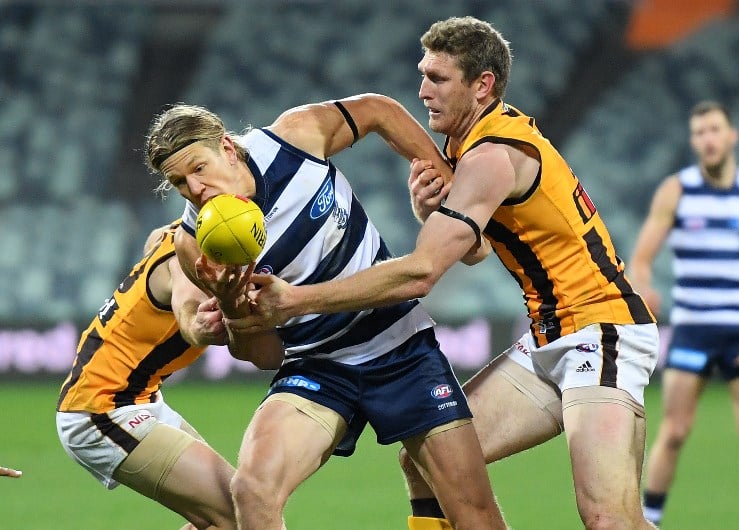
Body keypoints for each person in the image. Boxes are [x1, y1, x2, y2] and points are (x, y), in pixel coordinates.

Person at [234, 16, 660, 530]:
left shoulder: (491, 156)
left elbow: (420, 276)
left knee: (608, 519)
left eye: (438, 79)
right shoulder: (474, 144)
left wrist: (295, 302)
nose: (422, 91)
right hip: (551, 340)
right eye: (423, 75)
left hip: (602, 332)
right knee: (428, 462)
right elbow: (476, 250)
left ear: (482, 85)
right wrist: (429, 214)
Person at [144, 94, 507, 530]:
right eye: (180, 182)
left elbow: (377, 110)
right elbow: (264, 356)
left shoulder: (295, 140)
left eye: (198, 168)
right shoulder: (196, 246)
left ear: (226, 147)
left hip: (399, 345)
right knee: (251, 489)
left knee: (474, 514)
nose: (196, 191)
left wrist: (445, 178)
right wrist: (231, 302)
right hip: (316, 365)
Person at [56, 221, 281, 530]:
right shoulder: (186, 259)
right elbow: (189, 314)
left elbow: (154, 242)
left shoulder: (181, 233)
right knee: (248, 515)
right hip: (101, 409)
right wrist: (198, 326)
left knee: (222, 520)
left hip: (141, 398)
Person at [630, 101, 739, 530]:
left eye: (715, 129)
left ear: (732, 136)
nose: (708, 139)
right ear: (693, 140)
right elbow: (641, 259)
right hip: (693, 331)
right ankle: (650, 521)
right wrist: (645, 287)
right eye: (699, 132)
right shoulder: (676, 191)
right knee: (675, 432)